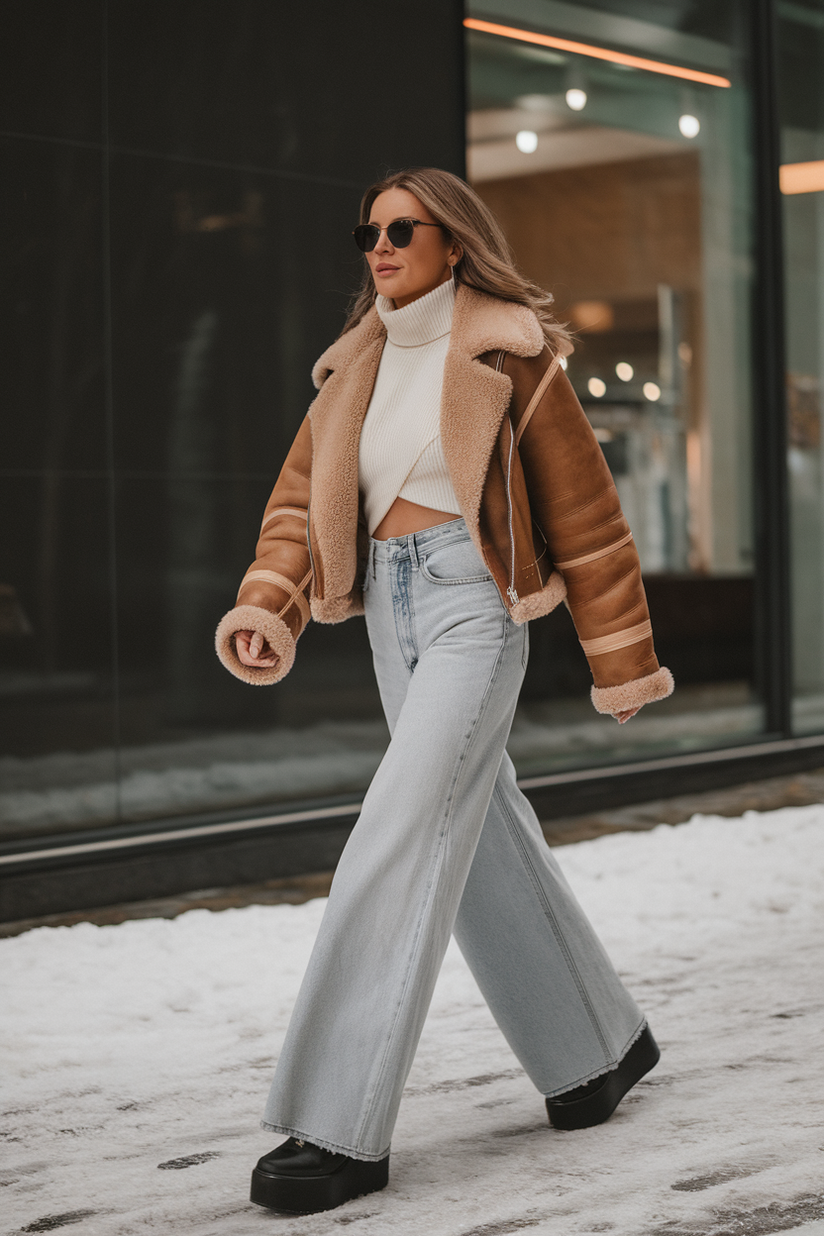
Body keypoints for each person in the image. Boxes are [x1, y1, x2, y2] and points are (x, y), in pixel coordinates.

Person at [215, 167, 674, 1216]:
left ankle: (335, 1124)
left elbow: (588, 517)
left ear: (452, 243)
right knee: (475, 836)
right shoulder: (352, 371)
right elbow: (297, 506)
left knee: (399, 831)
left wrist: (617, 658)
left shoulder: (509, 355)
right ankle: (596, 1048)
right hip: (388, 610)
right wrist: (266, 605)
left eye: (399, 229)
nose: (377, 247)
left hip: (473, 610)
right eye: (366, 232)